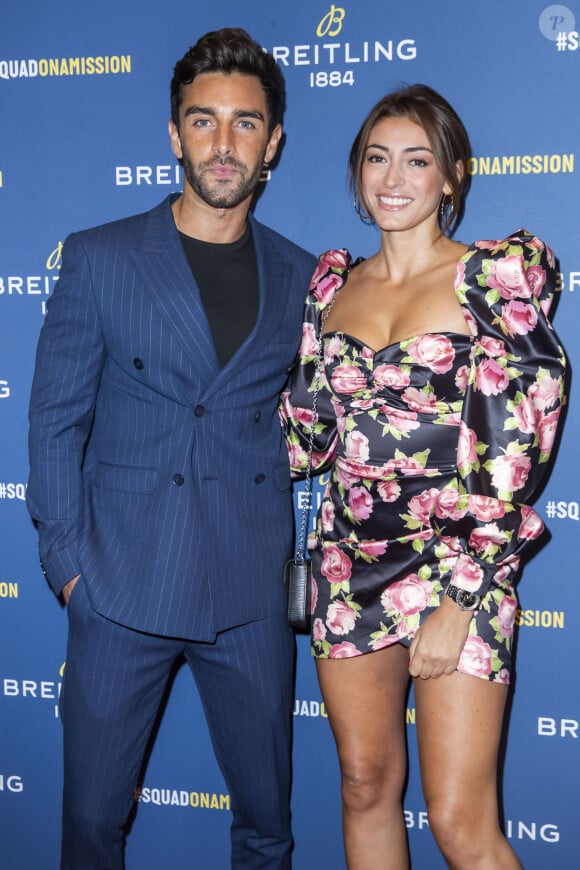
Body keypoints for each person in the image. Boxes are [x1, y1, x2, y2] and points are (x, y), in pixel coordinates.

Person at [27, 27, 316, 869]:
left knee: (268, 825)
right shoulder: (100, 258)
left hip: (250, 589)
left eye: (246, 124)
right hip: (119, 585)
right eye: (203, 121)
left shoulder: (304, 276)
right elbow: (53, 422)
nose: (223, 145)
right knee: (90, 827)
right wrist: (70, 568)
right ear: (173, 134)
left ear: (274, 144)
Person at [280, 84, 567, 869]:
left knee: (459, 824)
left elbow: (518, 455)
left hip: (457, 569)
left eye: (418, 160)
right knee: (364, 785)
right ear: (356, 172)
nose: (394, 178)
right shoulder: (332, 287)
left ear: (454, 177)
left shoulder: (493, 281)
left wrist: (461, 597)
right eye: (377, 158)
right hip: (348, 567)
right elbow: (308, 442)